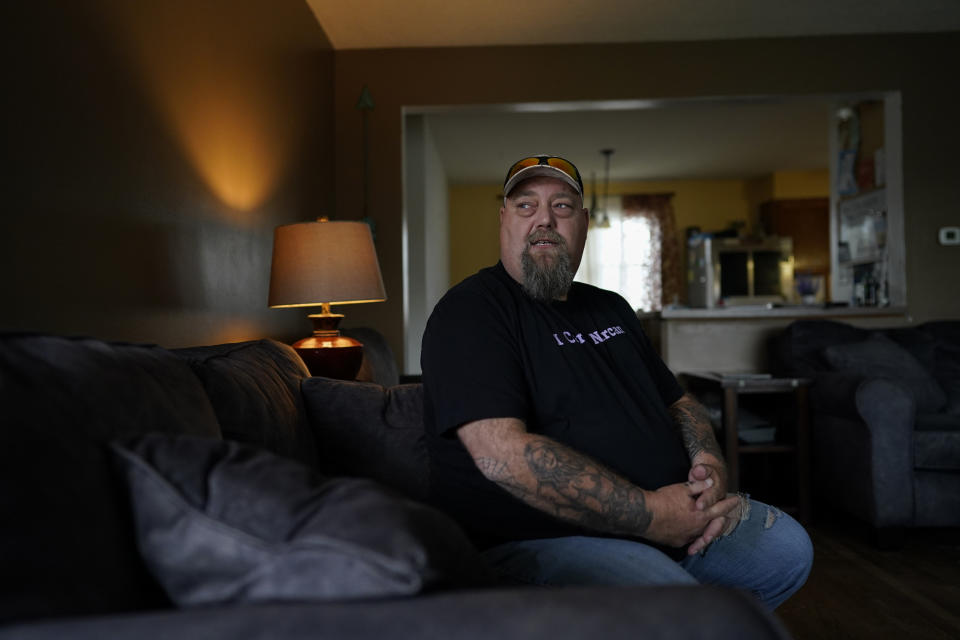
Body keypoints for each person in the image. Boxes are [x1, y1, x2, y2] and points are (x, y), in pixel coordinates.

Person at [421, 154, 813, 609]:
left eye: (563, 206)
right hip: (539, 541)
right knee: (669, 599)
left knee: (786, 551)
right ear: (504, 219)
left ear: (584, 223)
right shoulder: (471, 311)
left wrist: (710, 466)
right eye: (526, 205)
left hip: (668, 521)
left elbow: (679, 402)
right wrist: (651, 515)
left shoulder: (611, 307)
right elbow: (501, 456)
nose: (545, 219)